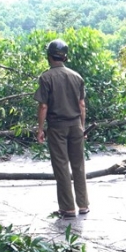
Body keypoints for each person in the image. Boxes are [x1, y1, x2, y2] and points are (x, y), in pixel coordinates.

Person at [35, 39, 89, 219]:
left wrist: (40, 129)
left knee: (61, 167)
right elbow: (82, 105)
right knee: (78, 165)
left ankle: (67, 208)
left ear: (49, 56)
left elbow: (43, 106)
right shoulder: (77, 76)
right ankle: (83, 205)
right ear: (65, 57)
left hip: (57, 127)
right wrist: (82, 126)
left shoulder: (46, 77)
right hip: (75, 126)